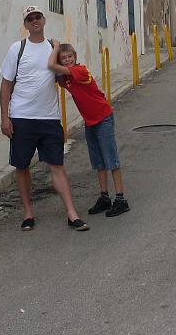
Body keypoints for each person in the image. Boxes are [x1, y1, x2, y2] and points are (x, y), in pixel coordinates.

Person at [0, 6, 88, 232]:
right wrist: (5, 117)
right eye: (30, 18)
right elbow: (6, 84)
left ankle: (72, 213)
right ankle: (28, 212)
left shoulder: (53, 48)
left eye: (38, 17)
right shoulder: (17, 49)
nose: (35, 21)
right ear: (26, 24)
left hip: (49, 117)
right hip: (22, 117)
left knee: (57, 165)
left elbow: (66, 76)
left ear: (44, 20)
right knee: (22, 166)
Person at [48, 42, 130, 218]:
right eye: (64, 58)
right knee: (98, 161)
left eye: (70, 56)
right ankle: (104, 197)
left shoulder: (80, 71)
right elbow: (53, 74)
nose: (67, 60)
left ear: (75, 57)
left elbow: (50, 66)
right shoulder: (67, 78)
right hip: (90, 121)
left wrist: (54, 48)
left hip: (103, 117)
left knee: (111, 158)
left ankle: (121, 199)